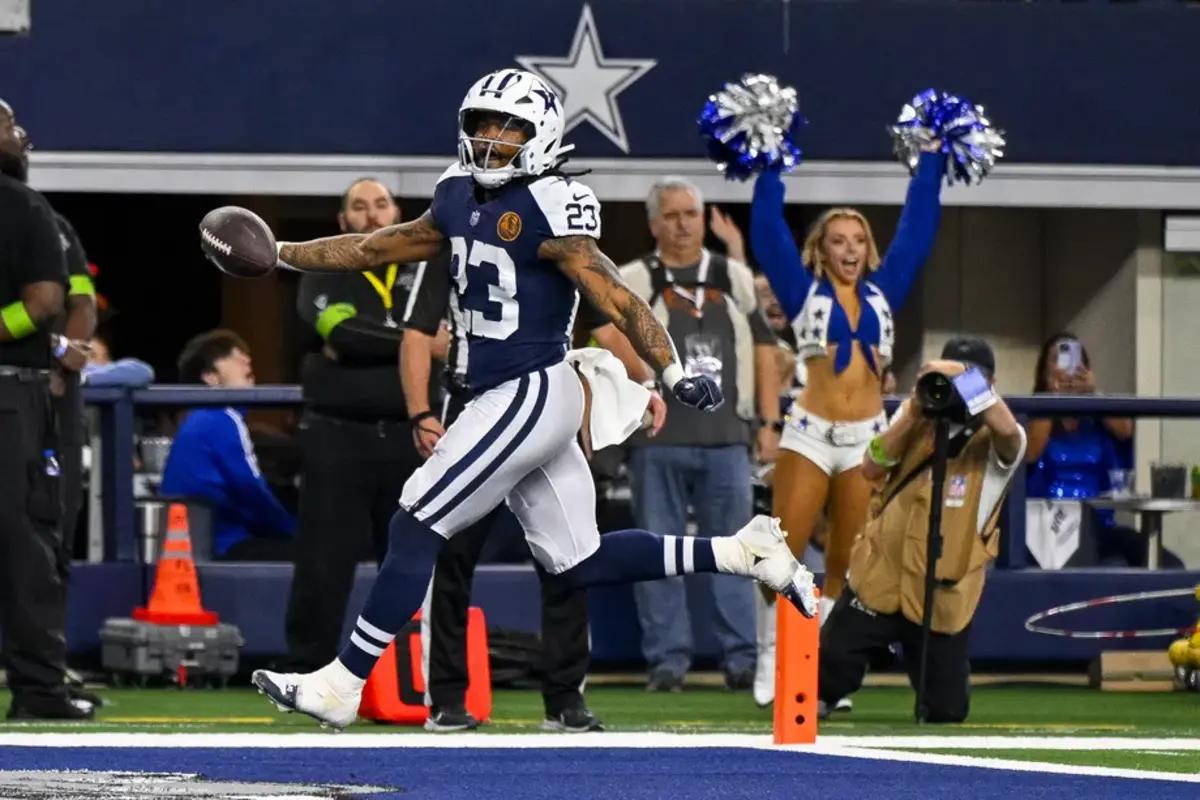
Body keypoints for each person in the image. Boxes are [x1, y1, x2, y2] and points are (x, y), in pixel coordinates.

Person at [237, 69, 817, 730]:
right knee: (580, 559)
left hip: (527, 390)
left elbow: (614, 296)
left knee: (415, 522)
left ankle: (341, 684)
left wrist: (671, 368)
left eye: (507, 127)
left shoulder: (554, 201)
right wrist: (281, 253)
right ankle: (745, 552)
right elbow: (374, 247)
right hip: (513, 396)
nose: (490, 139)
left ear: (540, 133)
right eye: (481, 124)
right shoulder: (455, 194)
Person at [748, 140, 946, 703]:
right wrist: (768, 164)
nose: (850, 249)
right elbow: (766, 232)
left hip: (866, 441)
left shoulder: (885, 293)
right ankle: (773, 657)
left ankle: (823, 672)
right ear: (822, 248)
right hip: (809, 434)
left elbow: (919, 229)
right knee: (781, 551)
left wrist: (930, 160)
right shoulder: (801, 289)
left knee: (847, 561)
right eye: (839, 240)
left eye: (859, 240)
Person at [587, 177, 780, 693]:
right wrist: (647, 379)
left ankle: (742, 659)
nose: (683, 224)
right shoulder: (633, 275)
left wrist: (770, 423)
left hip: (727, 439)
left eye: (690, 213)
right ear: (654, 224)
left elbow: (765, 351)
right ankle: (667, 662)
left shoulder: (733, 275)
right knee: (656, 555)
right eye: (671, 215)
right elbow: (604, 332)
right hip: (657, 438)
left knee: (739, 552)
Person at [403, 251, 602, 732]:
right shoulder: (455, 233)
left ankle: (565, 697)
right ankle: (446, 696)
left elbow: (609, 322)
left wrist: (649, 381)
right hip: (474, 404)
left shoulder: (561, 240)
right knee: (447, 554)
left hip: (547, 408)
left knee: (571, 556)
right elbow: (417, 332)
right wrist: (420, 411)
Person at [818, 337, 1026, 723]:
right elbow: (871, 466)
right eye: (947, 375)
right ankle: (839, 684)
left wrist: (965, 380)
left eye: (971, 378)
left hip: (942, 590)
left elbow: (1010, 433)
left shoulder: (998, 440)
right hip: (883, 574)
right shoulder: (916, 416)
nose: (955, 388)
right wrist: (915, 408)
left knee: (946, 711)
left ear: (990, 382)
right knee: (826, 670)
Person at [283, 178, 435, 672]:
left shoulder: (430, 270)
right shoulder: (325, 270)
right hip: (337, 437)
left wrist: (391, 341)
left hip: (413, 438)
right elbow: (343, 334)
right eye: (359, 208)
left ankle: (414, 673)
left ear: (399, 214)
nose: (372, 216)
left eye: (381, 205)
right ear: (342, 222)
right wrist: (423, 344)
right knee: (324, 565)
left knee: (412, 561)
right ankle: (308, 671)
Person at [0, 98, 94, 720]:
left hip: (23, 391)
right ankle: (39, 689)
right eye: (8, 124)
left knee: (30, 540)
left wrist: (68, 351)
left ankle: (41, 683)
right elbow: (41, 302)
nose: (21, 135)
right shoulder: (28, 207)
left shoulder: (40, 214)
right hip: (10, 397)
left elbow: (67, 302)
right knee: (22, 541)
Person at [1024, 333, 1170, 568]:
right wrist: (1052, 397)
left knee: (1169, 563)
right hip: (1049, 530)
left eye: (1075, 359)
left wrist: (1094, 393)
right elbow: (1030, 452)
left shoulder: (1095, 417)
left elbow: (1125, 431)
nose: (1067, 367)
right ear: (1044, 371)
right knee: (1114, 567)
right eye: (1058, 359)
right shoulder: (1033, 415)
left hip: (1099, 525)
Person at [159, 330, 296, 560]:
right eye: (232, 355)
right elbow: (252, 491)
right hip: (221, 545)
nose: (246, 359)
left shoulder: (203, 418)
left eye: (245, 353)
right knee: (319, 556)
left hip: (209, 541)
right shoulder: (220, 418)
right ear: (211, 377)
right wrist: (294, 531)